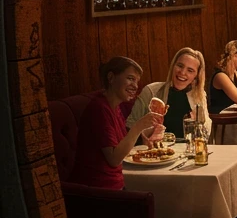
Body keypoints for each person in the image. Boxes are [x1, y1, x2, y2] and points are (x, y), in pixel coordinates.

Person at [69, 57, 161, 188]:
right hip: (98, 191)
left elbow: (121, 145)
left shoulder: (115, 107)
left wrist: (142, 133)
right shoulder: (99, 109)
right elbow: (114, 159)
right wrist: (138, 127)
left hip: (116, 184)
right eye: (130, 78)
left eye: (136, 81)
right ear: (111, 78)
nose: (135, 86)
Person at [128, 47, 207, 139]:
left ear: (196, 76)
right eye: (180, 66)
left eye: (190, 70)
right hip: (155, 150)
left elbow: (206, 133)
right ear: (173, 66)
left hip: (188, 150)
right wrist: (146, 134)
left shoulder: (199, 95)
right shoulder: (151, 91)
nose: (182, 72)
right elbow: (130, 126)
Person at [209, 40, 237, 114]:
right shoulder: (220, 76)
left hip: (234, 115)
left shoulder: (235, 73)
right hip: (222, 119)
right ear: (231, 56)